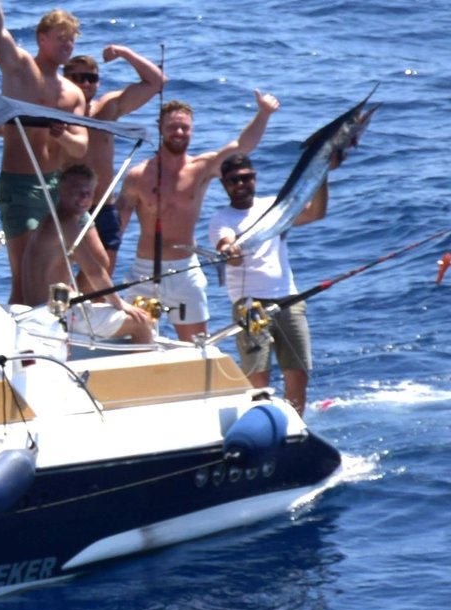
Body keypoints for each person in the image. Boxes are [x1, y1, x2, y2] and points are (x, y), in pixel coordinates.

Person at [116, 90, 278, 341]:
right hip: (144, 272)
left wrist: (264, 113)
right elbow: (116, 230)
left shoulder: (202, 168)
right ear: (160, 127)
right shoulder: (138, 176)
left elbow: (241, 147)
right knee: (137, 348)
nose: (178, 133)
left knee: (196, 347)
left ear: (192, 130)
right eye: (172, 127)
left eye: (184, 128)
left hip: (186, 271)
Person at [0, 0, 90, 304]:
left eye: (71, 41)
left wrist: (63, 137)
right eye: (61, 38)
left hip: (57, 185)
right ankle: (17, 344)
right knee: (26, 272)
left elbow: (81, 146)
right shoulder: (21, 69)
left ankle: (62, 335)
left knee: (61, 269)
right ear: (42, 38)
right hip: (20, 186)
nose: (67, 46)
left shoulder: (73, 93)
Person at [209, 152, 327, 413]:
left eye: (246, 178)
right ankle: (263, 423)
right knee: (258, 379)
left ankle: (294, 427)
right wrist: (230, 252)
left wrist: (323, 173)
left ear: (255, 178)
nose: (240, 184)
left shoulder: (275, 207)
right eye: (233, 180)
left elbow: (316, 213)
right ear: (224, 185)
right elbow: (228, 247)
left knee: (298, 374)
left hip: (289, 300)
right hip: (250, 307)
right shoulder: (222, 219)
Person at [16, 164, 154, 344]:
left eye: (88, 193)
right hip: (52, 314)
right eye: (77, 192)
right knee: (142, 323)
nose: (83, 198)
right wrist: (120, 304)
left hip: (44, 307)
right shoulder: (67, 223)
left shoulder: (53, 220)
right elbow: (95, 271)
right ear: (62, 191)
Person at [62, 44, 167, 275]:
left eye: (91, 78)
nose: (86, 83)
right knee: (59, 272)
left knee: (103, 270)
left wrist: (124, 53)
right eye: (78, 77)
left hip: (103, 205)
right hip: (66, 207)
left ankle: (84, 306)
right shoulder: (58, 111)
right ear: (66, 79)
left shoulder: (107, 108)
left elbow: (157, 82)